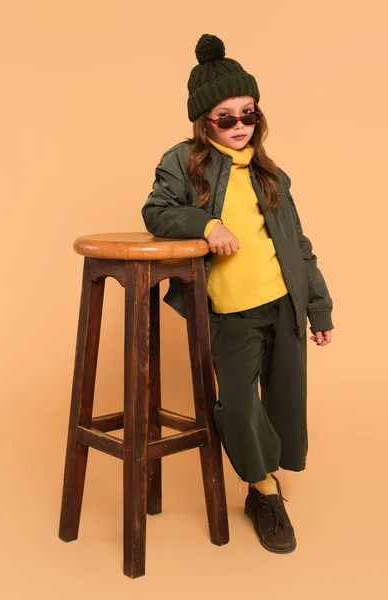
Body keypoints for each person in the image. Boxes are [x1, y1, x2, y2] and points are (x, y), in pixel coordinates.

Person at [141, 33, 334, 554]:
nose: (240, 126)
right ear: (204, 122)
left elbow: (300, 245)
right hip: (231, 311)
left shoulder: (272, 173)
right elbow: (156, 213)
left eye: (248, 113)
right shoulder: (185, 162)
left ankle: (266, 481)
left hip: (284, 304)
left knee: (287, 401)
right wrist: (205, 225)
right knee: (240, 406)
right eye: (226, 118)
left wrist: (318, 307)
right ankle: (263, 489)